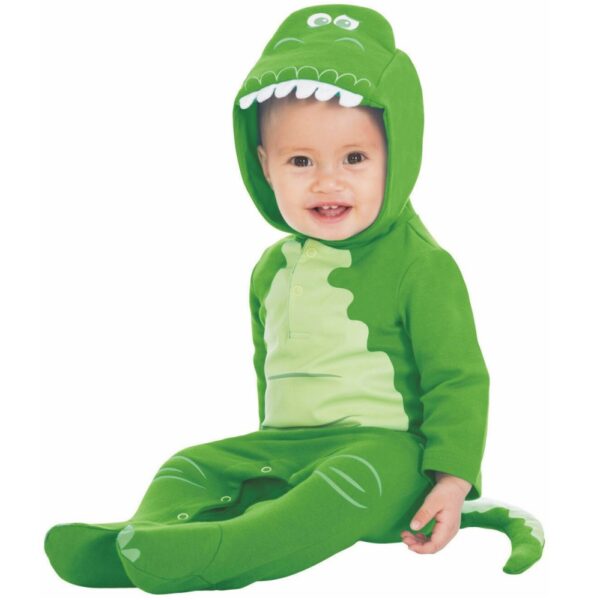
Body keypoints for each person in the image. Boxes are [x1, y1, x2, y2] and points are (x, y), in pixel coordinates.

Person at [44, 4, 544, 593]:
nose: (328, 181)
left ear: (398, 154)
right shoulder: (271, 267)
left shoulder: (421, 265)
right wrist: (266, 457)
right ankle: (145, 536)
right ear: (265, 167)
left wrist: (453, 482)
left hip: (390, 459)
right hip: (287, 448)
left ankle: (222, 553)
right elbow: (268, 367)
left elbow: (457, 378)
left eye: (355, 158)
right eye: (300, 161)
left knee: (350, 478)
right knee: (192, 463)